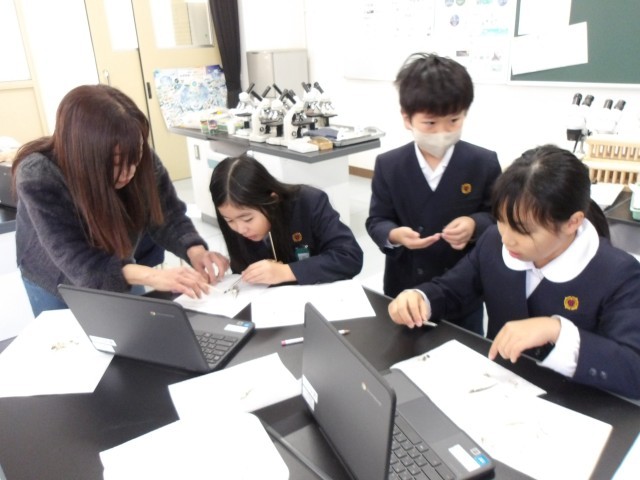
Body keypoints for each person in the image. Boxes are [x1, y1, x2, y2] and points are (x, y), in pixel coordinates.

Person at [388, 144, 640, 399]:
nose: (507, 239)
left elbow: (634, 370)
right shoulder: (493, 241)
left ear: (572, 222)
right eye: (501, 220)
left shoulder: (618, 274)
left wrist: (556, 330)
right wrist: (420, 299)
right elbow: (453, 289)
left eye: (523, 230)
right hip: (495, 391)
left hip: (574, 404)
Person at [12, 84, 229, 316]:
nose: (129, 172)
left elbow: (167, 215)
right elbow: (79, 262)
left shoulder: (134, 155)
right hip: (53, 276)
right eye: (116, 163)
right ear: (85, 155)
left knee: (133, 328)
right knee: (66, 336)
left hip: (118, 265)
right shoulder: (40, 175)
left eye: (136, 157)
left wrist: (195, 250)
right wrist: (152, 276)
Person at [366, 52, 501, 335]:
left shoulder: (482, 162)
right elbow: (377, 220)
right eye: (430, 123)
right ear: (407, 118)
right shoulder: (390, 165)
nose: (442, 131)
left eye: (453, 121)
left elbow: (498, 218)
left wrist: (474, 224)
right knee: (402, 349)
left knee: (463, 350)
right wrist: (394, 235)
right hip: (404, 288)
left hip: (462, 289)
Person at [209, 154, 363, 286]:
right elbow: (242, 267)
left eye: (248, 219)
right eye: (229, 221)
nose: (240, 229)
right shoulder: (232, 214)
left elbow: (350, 257)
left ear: (271, 200)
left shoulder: (309, 202)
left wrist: (287, 271)